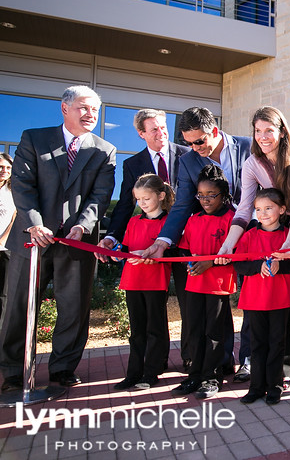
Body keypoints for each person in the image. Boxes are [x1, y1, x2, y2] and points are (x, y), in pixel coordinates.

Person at [0, 86, 116, 391]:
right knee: (19, 307)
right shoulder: (34, 139)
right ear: (64, 109)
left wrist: (82, 226)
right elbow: (22, 186)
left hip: (76, 244)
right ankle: (13, 370)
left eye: (95, 109)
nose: (90, 114)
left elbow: (100, 196)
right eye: (83, 108)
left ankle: (63, 367)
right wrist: (35, 224)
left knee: (74, 308)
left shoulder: (104, 150)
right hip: (32, 240)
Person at [139, 107, 251, 381]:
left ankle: (250, 360)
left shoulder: (247, 146)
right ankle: (220, 364)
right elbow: (182, 205)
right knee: (216, 305)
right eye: (189, 142)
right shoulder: (190, 160)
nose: (194, 148)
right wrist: (163, 241)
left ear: (214, 130)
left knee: (254, 302)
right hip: (215, 240)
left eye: (199, 141)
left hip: (251, 235)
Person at [216, 106, 290, 390]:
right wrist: (227, 245)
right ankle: (255, 368)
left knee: (287, 302)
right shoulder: (251, 164)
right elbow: (245, 208)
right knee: (258, 301)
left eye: (268, 130)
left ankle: (283, 371)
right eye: (257, 131)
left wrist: (289, 239)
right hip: (270, 228)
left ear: (282, 131)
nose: (263, 136)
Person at [96, 109, 191, 370]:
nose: (161, 132)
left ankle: (192, 360)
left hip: (187, 242)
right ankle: (154, 363)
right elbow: (126, 206)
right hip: (151, 243)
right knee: (151, 309)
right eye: (154, 129)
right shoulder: (132, 164)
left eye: (163, 127)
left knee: (189, 304)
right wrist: (113, 237)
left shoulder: (187, 155)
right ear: (141, 134)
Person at [171, 164, 237, 400]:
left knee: (214, 332)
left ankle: (212, 377)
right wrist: (188, 262)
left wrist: (210, 263)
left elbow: (236, 254)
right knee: (195, 330)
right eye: (201, 195)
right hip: (194, 283)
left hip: (218, 283)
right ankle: (194, 375)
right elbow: (184, 250)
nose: (206, 200)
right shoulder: (193, 219)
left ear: (224, 195)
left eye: (212, 195)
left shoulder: (231, 219)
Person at [234, 188, 290, 405]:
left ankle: (274, 385)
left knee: (277, 343)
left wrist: (279, 265)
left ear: (282, 209)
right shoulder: (248, 236)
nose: (262, 213)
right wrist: (257, 266)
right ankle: (256, 386)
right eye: (258, 209)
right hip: (254, 299)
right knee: (257, 344)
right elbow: (239, 263)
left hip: (280, 300)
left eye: (268, 208)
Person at [113, 174, 175, 391]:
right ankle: (133, 372)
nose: (142, 203)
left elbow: (172, 253)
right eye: (138, 199)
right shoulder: (133, 221)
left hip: (155, 282)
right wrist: (117, 254)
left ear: (160, 195)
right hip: (132, 281)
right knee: (137, 329)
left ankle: (152, 371)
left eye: (146, 199)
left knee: (155, 328)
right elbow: (127, 248)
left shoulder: (169, 223)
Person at [0, 153, 15, 322]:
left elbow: (16, 217)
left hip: (5, 248)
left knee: (3, 294)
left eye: (8, 168)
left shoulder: (13, 191)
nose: (4, 170)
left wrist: (3, 238)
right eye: (1, 167)